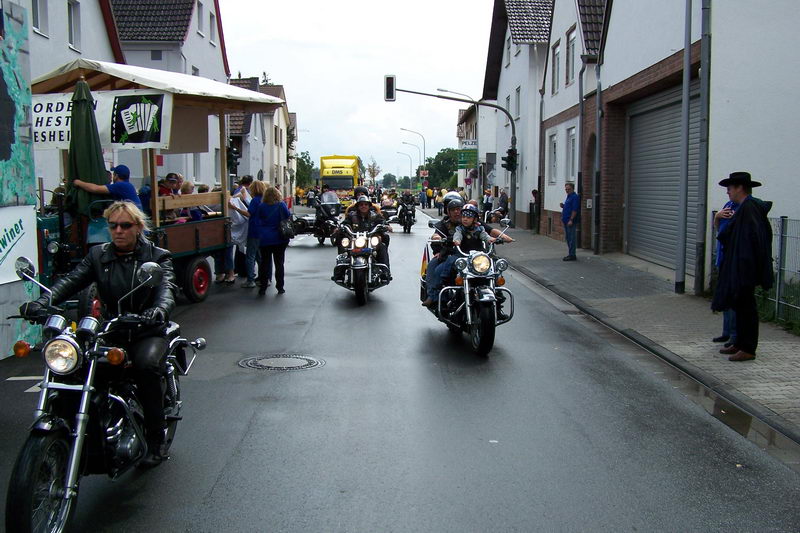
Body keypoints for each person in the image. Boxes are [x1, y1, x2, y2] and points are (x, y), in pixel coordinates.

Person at [19, 201, 176, 466]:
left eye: (125, 225)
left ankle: (156, 438)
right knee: (75, 366)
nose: (118, 231)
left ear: (138, 227)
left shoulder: (157, 256)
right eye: (113, 225)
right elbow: (72, 280)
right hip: (110, 329)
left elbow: (167, 288)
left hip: (145, 330)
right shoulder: (98, 255)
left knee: (145, 366)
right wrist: (43, 301)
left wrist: (158, 310)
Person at [711, 172, 773, 362]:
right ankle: (739, 343)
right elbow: (728, 235)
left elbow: (752, 241)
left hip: (745, 268)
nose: (727, 192)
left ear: (740, 187)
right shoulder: (742, 208)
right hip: (739, 266)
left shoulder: (750, 208)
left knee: (747, 307)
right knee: (739, 305)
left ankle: (748, 348)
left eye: (730, 187)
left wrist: (745, 268)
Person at [422, 194, 464, 307]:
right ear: (447, 211)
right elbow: (436, 235)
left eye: (459, 209)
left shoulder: (470, 221)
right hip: (450, 253)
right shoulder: (443, 224)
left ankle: (496, 294)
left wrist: (499, 237)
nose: (456, 212)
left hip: (473, 256)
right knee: (433, 265)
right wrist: (436, 241)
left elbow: (486, 230)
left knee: (493, 266)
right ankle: (432, 295)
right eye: (453, 209)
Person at [714, 197, 740, 353]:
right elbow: (718, 230)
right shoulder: (727, 206)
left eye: (730, 188)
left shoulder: (743, 208)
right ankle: (726, 332)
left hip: (732, 261)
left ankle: (734, 335)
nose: (727, 192)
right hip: (722, 258)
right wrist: (717, 217)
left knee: (733, 300)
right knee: (725, 297)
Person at [255, 185, 291, 295]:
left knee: (264, 263)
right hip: (280, 238)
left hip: (265, 238)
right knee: (279, 263)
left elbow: (258, 219)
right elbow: (287, 216)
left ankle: (263, 287)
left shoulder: (262, 206)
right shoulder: (281, 205)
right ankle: (280, 287)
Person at [344, 195, 392, 275]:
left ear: (369, 206)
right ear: (358, 206)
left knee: (382, 246)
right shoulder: (352, 216)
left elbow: (382, 221)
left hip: (370, 239)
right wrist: (341, 227)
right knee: (344, 244)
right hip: (355, 240)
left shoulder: (375, 215)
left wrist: (386, 226)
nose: (363, 206)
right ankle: (340, 272)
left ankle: (385, 271)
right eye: (361, 205)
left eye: (366, 204)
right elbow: (345, 223)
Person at [72, 164, 142, 210]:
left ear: (116, 176)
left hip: (133, 220)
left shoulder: (120, 186)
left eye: (113, 174)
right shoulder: (128, 185)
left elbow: (95, 189)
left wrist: (78, 182)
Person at [243, 180, 266, 288]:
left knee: (250, 256)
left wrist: (236, 208)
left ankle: (250, 280)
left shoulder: (254, 200)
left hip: (254, 230)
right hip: (262, 230)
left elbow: (248, 213)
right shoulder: (264, 200)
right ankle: (263, 278)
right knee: (259, 256)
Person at [560, 183, 579, 261]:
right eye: (566, 189)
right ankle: (570, 254)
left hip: (570, 221)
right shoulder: (569, 196)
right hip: (566, 220)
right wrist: (563, 206)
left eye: (568, 189)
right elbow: (569, 207)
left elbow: (575, 210)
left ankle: (572, 255)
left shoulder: (575, 197)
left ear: (573, 189)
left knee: (571, 238)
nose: (567, 191)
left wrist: (571, 220)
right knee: (568, 238)